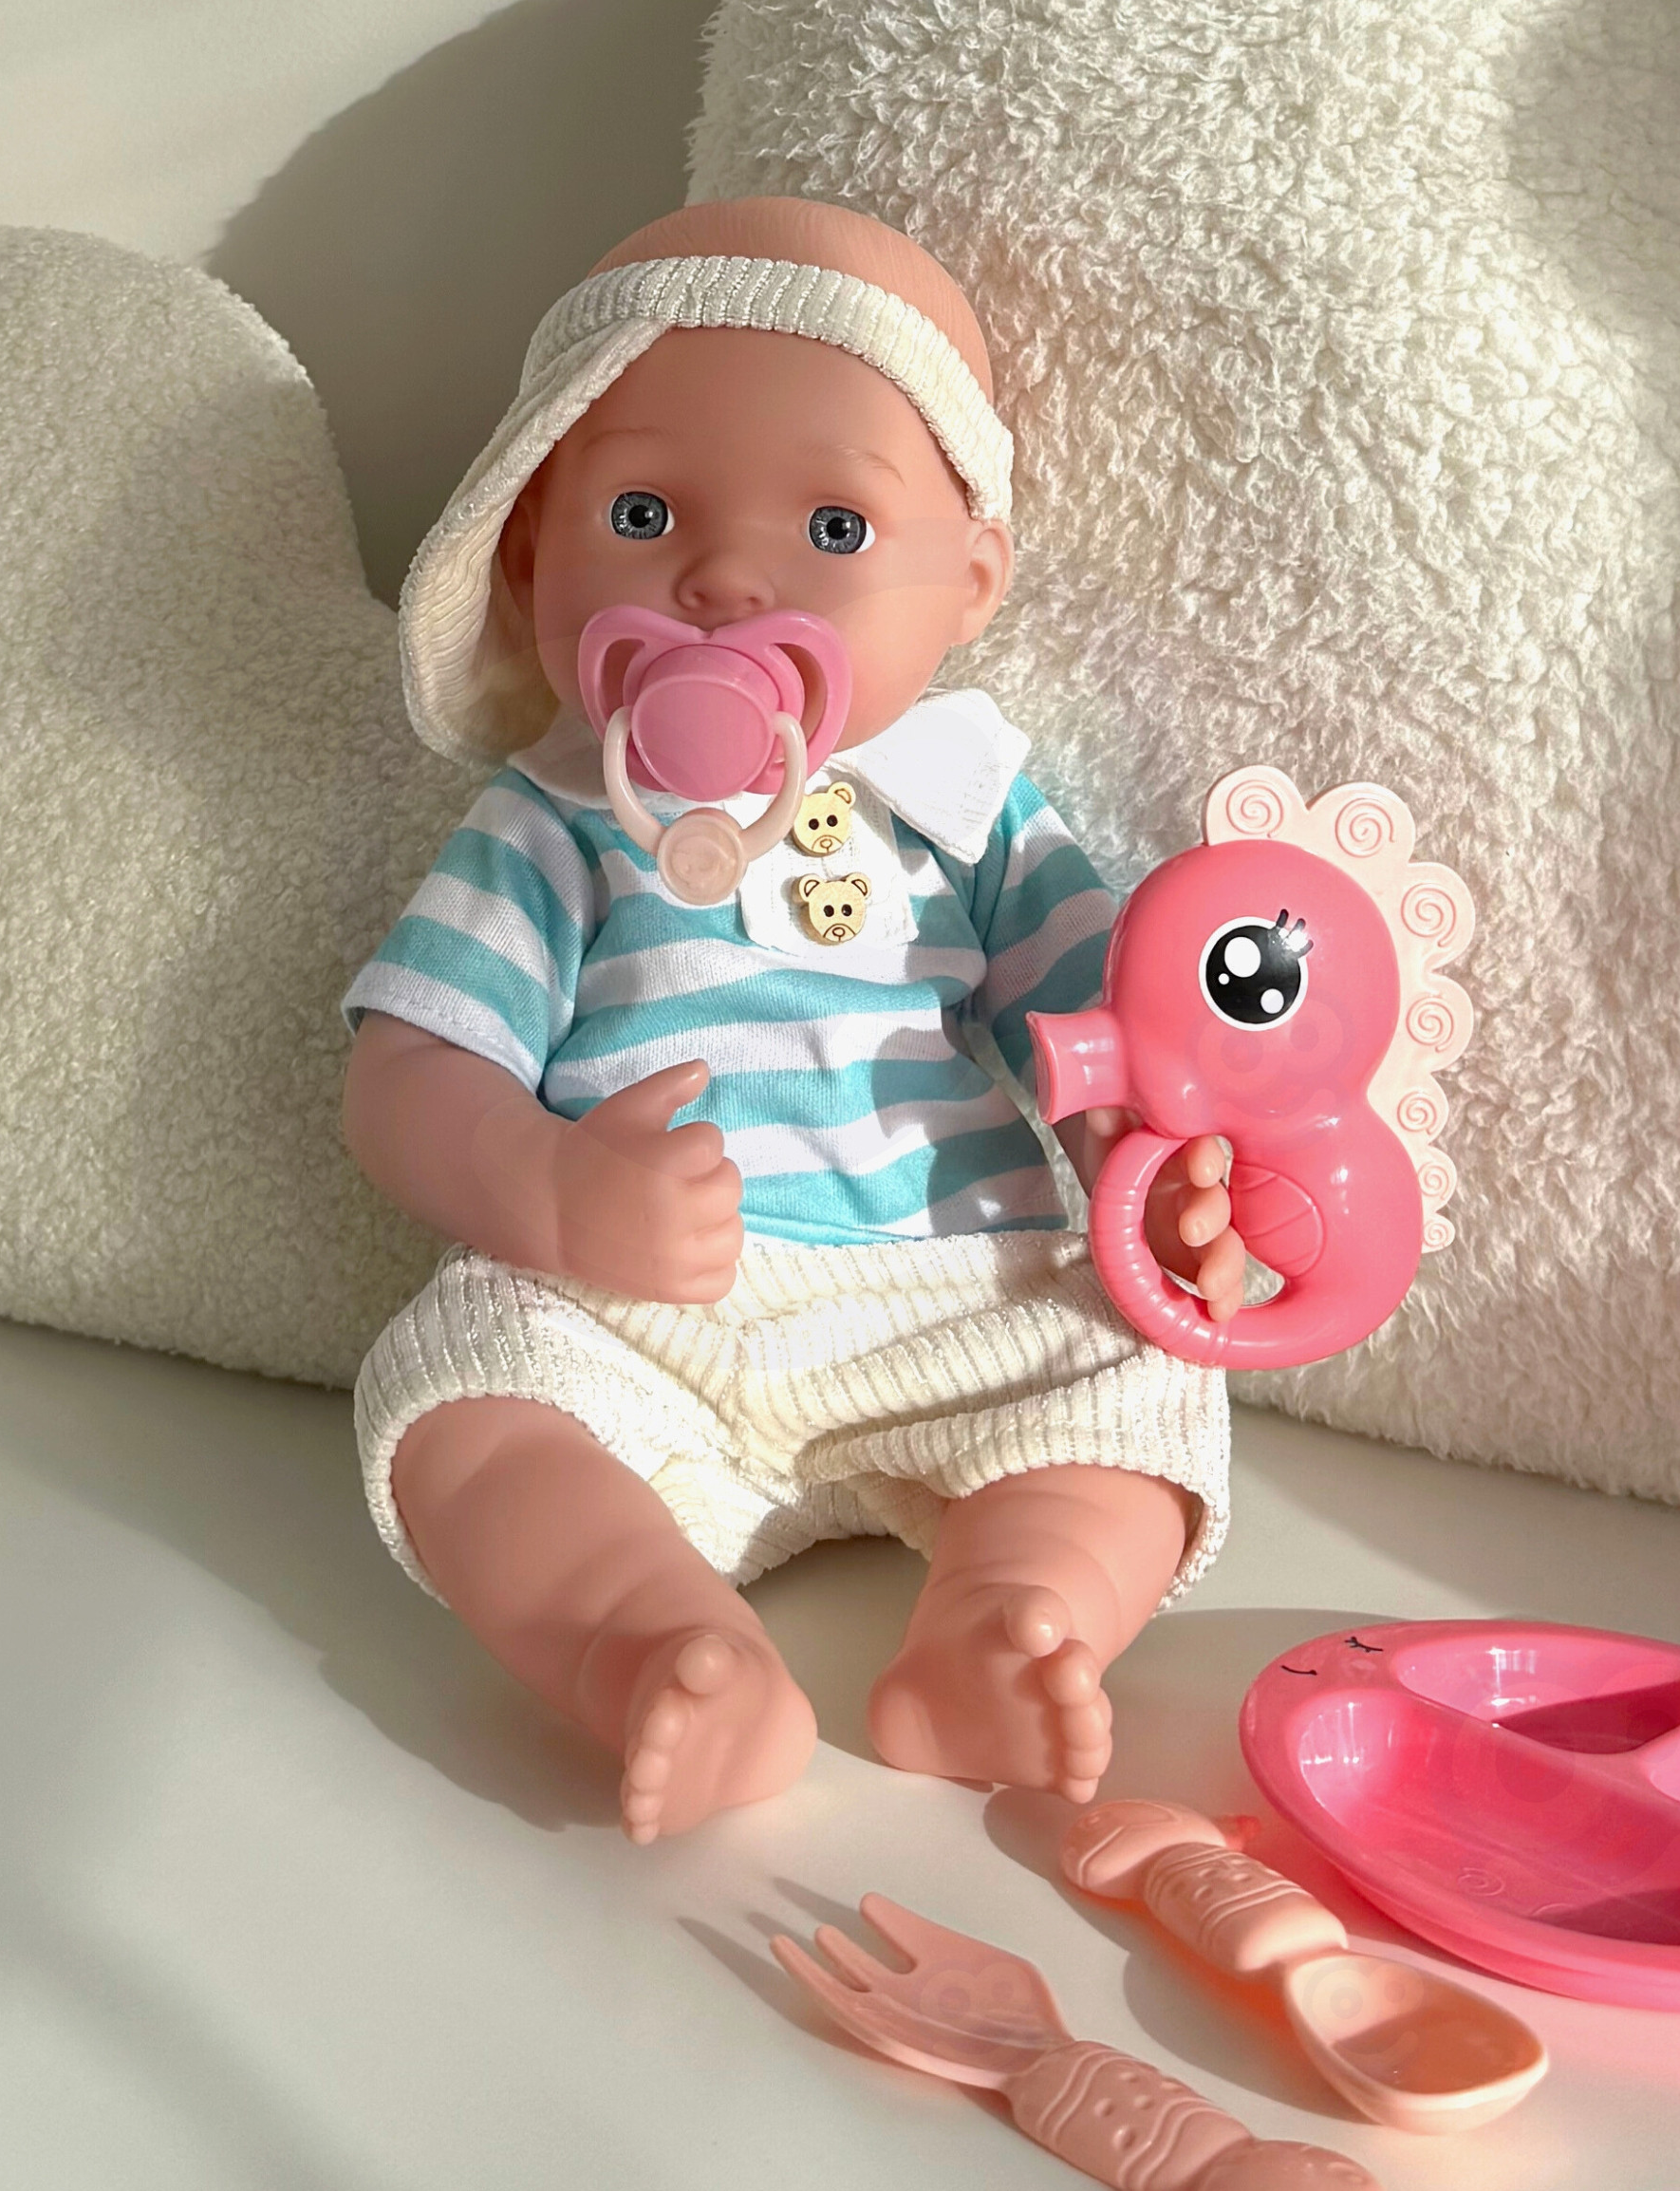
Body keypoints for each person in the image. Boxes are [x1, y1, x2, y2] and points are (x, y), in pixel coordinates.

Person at [342, 197, 1242, 1841]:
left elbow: (1110, 1030)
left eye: (835, 527)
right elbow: (409, 1072)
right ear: (531, 555)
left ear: (968, 584)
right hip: (631, 1316)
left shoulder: (964, 801)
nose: (723, 579)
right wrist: (548, 1192)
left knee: (1135, 1392)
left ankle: (1012, 1620)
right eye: (640, 512)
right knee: (461, 1414)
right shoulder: (553, 817)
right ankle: (650, 1645)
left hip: (961, 1289)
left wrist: (1166, 1178)